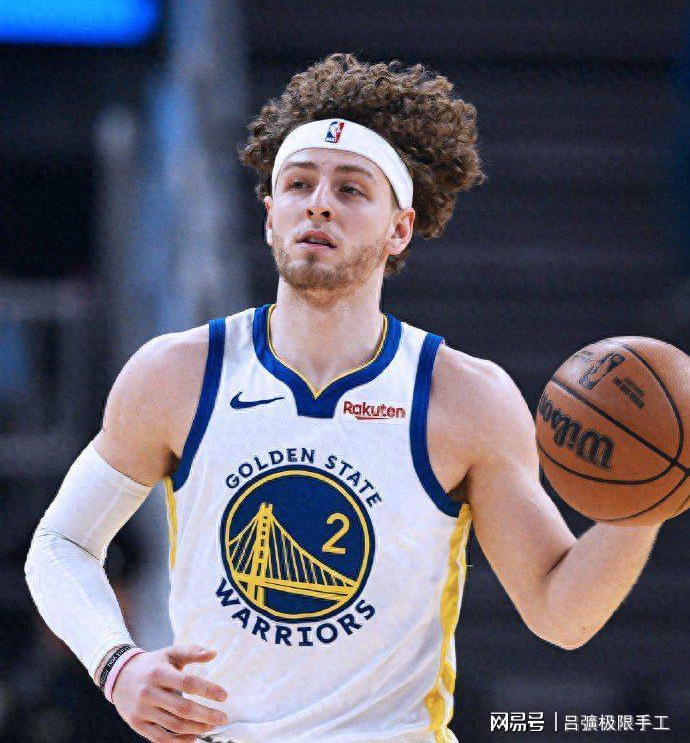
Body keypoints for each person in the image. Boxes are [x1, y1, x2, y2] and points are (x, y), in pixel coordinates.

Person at [25, 53, 662, 743]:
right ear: (270, 216)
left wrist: (651, 496)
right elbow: (60, 543)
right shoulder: (177, 373)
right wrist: (117, 665)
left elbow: (559, 612)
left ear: (399, 229)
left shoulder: (464, 398)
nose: (319, 203)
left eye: (352, 189)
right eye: (298, 184)